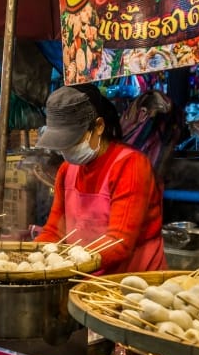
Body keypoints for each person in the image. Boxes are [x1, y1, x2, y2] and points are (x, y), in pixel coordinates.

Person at [35, 84, 166, 274]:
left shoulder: (130, 165)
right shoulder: (66, 170)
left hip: (133, 282)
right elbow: (55, 231)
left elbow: (119, 242)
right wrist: (34, 257)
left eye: (72, 141)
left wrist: (70, 264)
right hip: (85, 274)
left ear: (98, 126)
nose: (66, 150)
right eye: (61, 144)